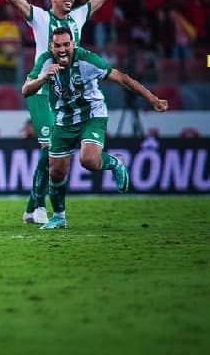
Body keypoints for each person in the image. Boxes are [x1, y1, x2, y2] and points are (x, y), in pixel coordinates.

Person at [0, 0, 144, 224]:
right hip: (41, 88)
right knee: (49, 146)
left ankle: (32, 209)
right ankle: (38, 207)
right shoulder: (40, 18)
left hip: (65, 94)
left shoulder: (78, 18)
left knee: (54, 152)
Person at [22, 27, 168, 229]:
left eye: (66, 45)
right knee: (56, 172)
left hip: (92, 114)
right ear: (51, 47)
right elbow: (26, 90)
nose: (62, 50)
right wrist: (43, 78)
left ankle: (115, 163)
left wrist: (152, 99)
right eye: (57, 46)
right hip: (63, 119)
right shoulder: (45, 61)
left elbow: (123, 79)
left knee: (89, 160)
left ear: (73, 44)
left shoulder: (88, 61)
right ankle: (59, 217)